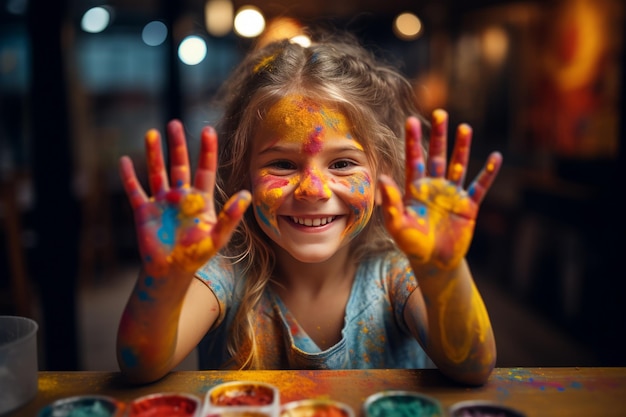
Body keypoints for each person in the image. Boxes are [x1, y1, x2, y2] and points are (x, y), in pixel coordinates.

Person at [116, 32, 502, 386]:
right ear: (241, 176)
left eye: (342, 164)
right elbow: (140, 366)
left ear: (386, 179)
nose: (313, 190)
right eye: (282, 164)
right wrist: (163, 280)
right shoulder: (226, 275)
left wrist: (444, 274)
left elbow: (472, 367)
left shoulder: (395, 275)